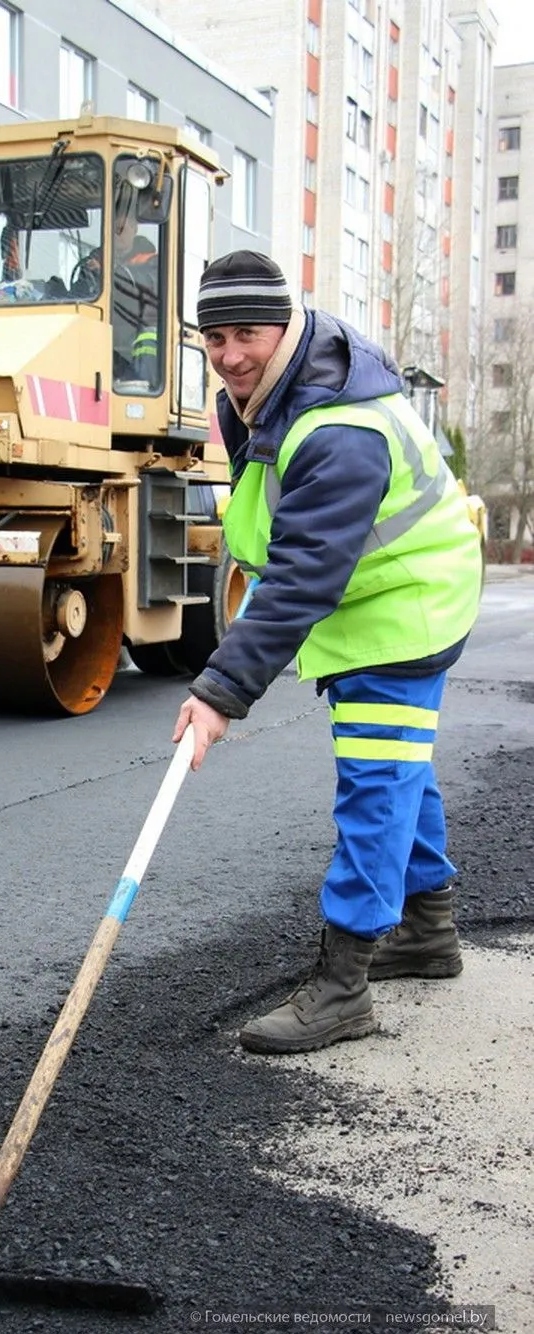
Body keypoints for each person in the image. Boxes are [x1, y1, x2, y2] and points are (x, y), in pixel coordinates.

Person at [172, 250, 482, 1056]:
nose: (231, 353)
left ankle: (343, 987)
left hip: (407, 599)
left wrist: (219, 691)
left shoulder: (339, 428)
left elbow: (303, 575)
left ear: (285, 326)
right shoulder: (261, 396)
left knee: (377, 775)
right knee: (400, 760)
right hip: (367, 592)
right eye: (214, 337)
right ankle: (428, 931)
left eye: (247, 333)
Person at [72, 212, 159, 382]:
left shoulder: (151, 262)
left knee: (148, 339)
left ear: (134, 229)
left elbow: (143, 287)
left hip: (135, 333)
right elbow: (77, 295)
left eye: (120, 229)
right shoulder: (94, 261)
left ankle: (140, 384)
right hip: (101, 336)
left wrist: (108, 273)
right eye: (112, 229)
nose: (115, 235)